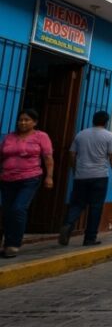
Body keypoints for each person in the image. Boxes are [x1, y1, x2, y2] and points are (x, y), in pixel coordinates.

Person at [58, 111, 112, 247]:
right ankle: (90, 238)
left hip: (81, 176)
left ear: (93, 120)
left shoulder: (81, 134)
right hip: (99, 176)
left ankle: (68, 224)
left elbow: (72, 153)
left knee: (77, 204)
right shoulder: (109, 136)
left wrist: (75, 169)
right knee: (96, 207)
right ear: (106, 122)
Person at [0, 109, 54, 258]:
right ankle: (7, 243)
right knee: (7, 211)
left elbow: (48, 158)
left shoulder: (41, 136)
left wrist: (49, 177)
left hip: (30, 178)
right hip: (7, 179)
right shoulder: (9, 137)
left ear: (34, 122)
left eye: (27, 120)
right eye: (21, 120)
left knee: (18, 209)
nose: (23, 123)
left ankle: (14, 244)